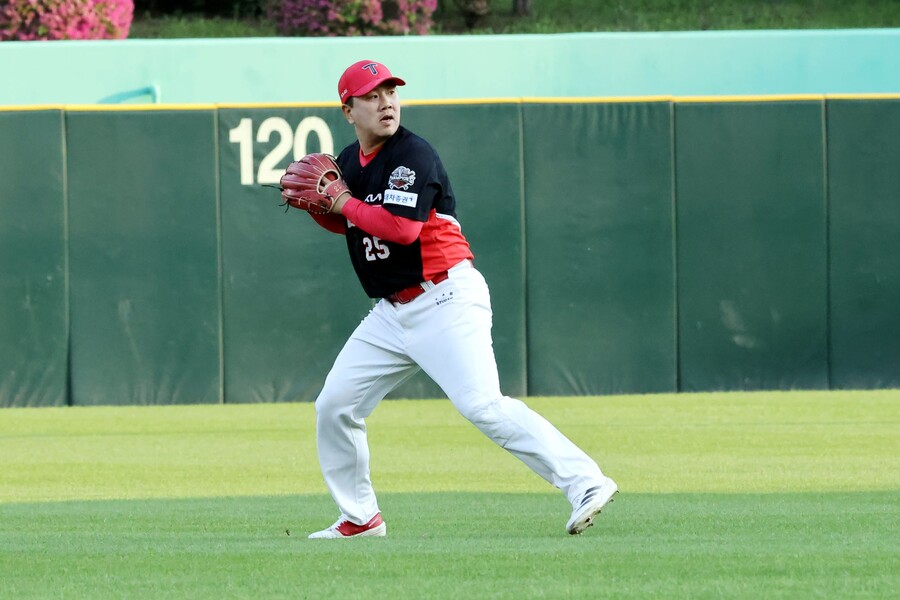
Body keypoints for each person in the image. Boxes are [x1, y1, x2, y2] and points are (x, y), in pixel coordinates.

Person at [289, 60, 617, 539]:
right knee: (335, 405)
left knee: (482, 405)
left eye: (390, 92)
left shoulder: (412, 154)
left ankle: (586, 481)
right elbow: (349, 221)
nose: (385, 102)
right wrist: (321, 210)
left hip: (444, 297)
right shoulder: (349, 161)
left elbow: (401, 230)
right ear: (348, 110)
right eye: (371, 95)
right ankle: (360, 518)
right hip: (391, 312)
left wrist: (341, 203)